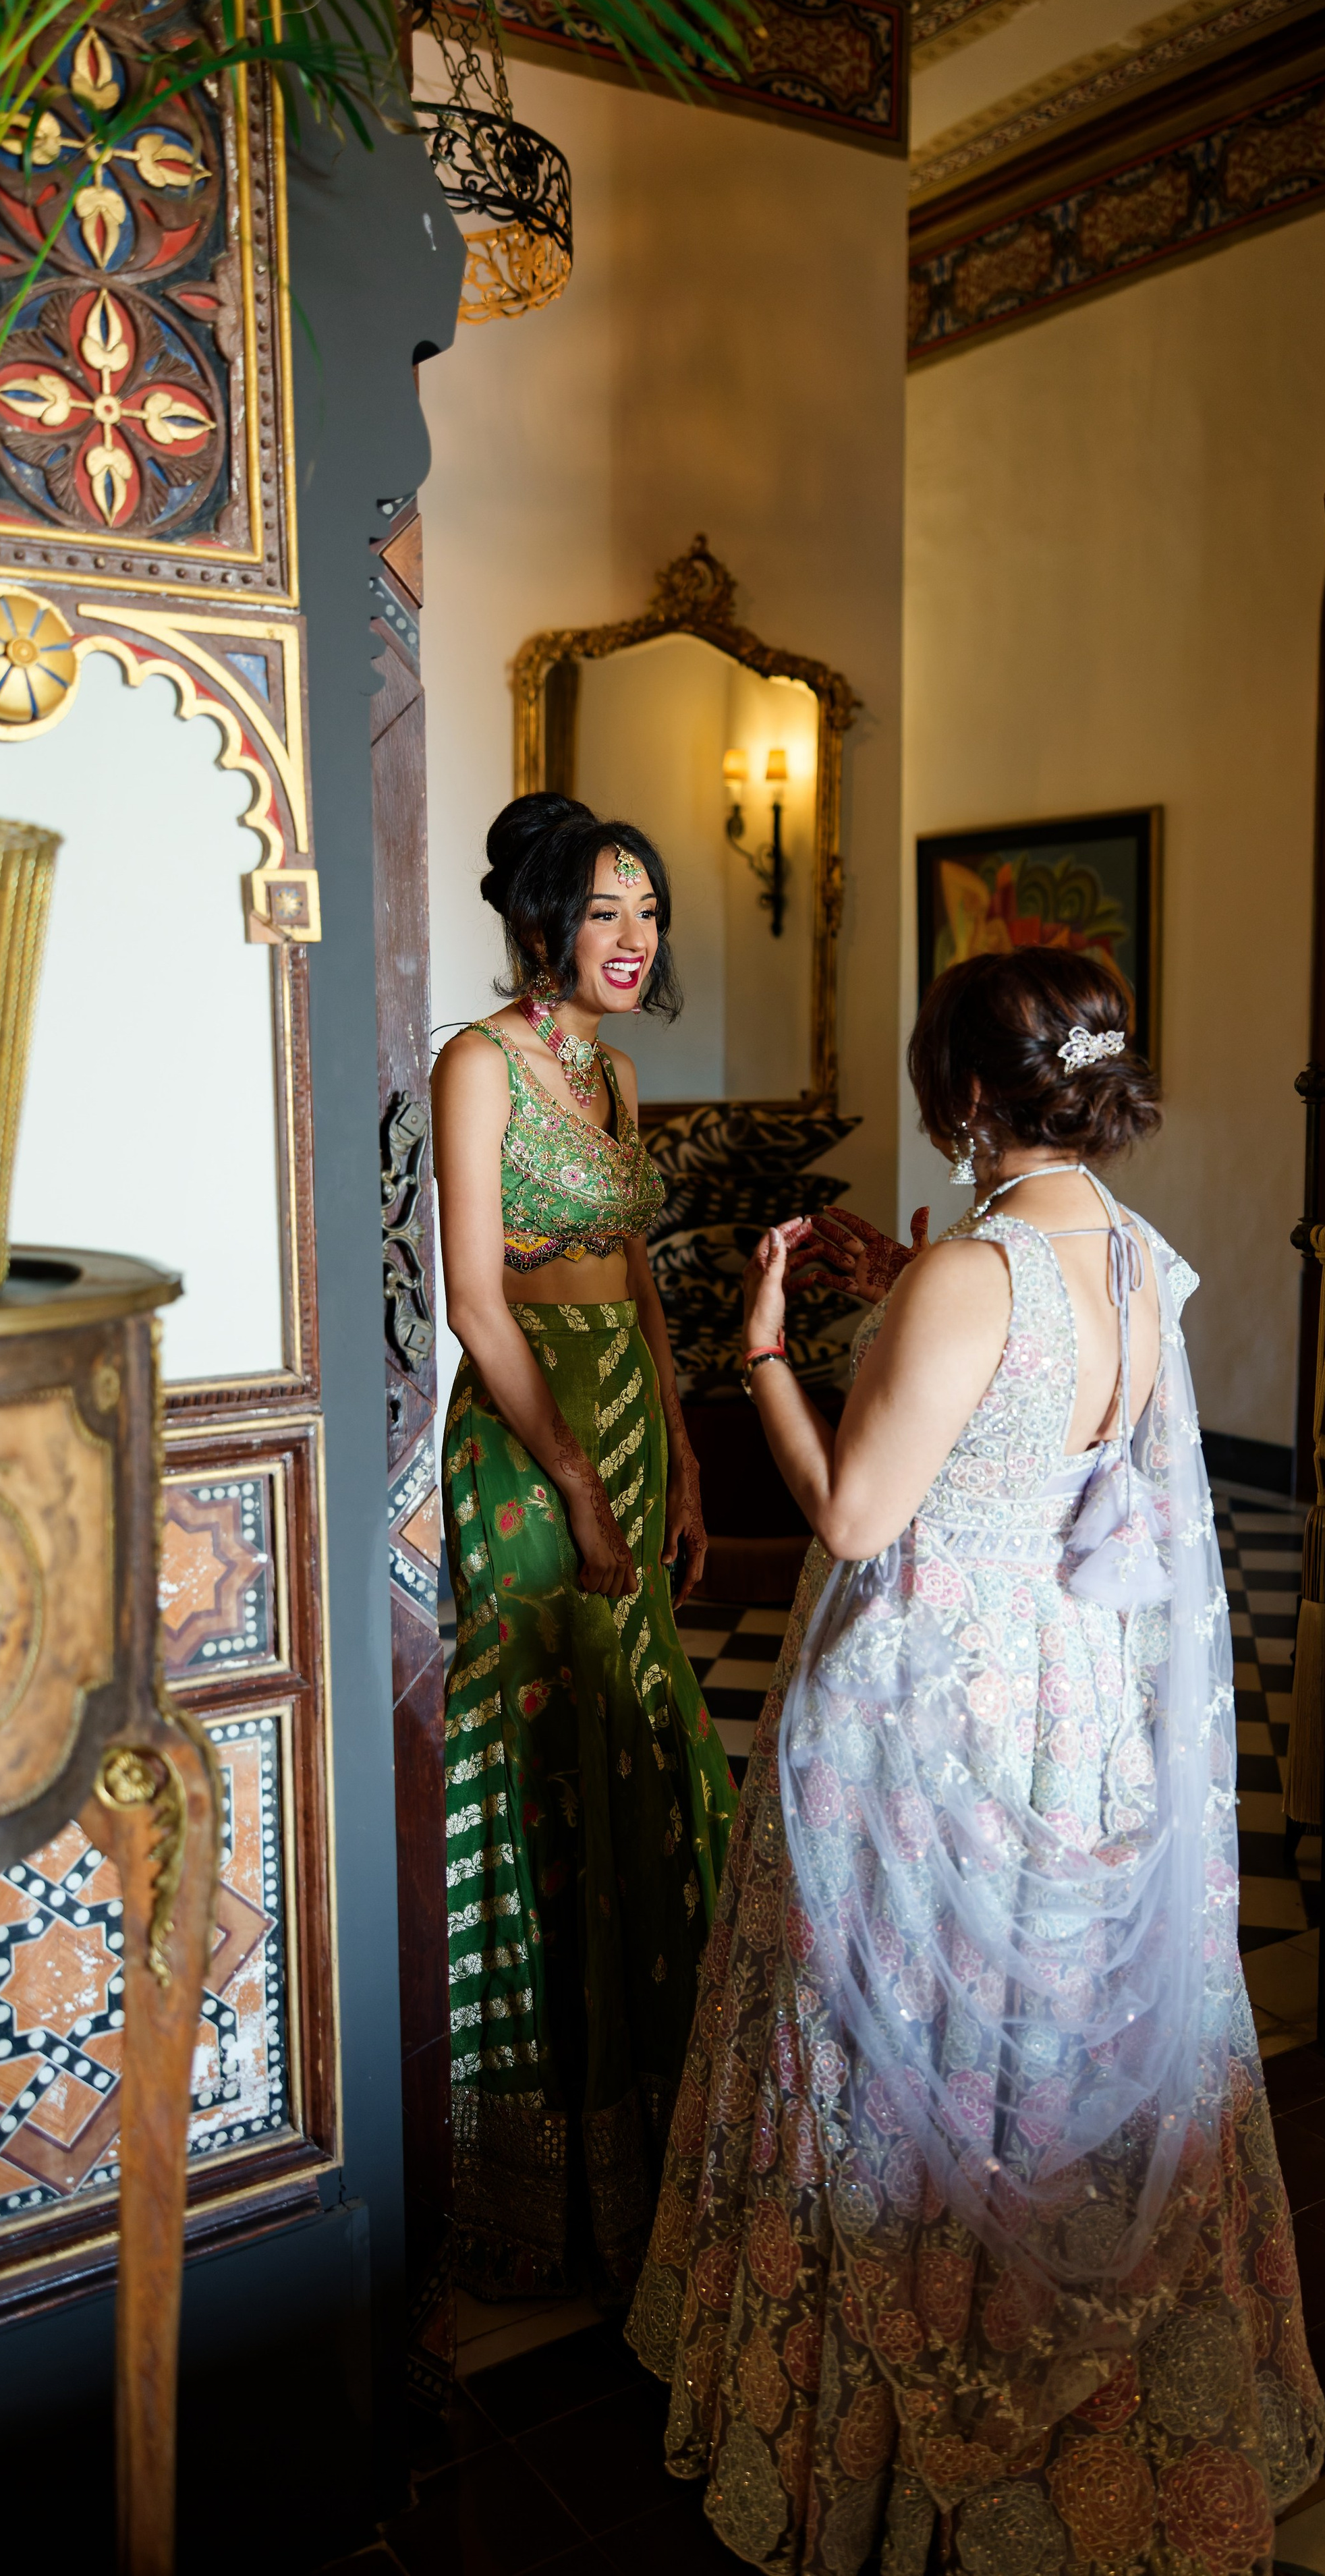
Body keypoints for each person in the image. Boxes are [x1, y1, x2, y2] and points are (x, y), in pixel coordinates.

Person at [627, 947, 1325, 2573]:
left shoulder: (971, 1274)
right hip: (1071, 1696)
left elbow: (859, 1518)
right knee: (1029, 2045)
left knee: (877, 2035)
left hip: (925, 1702)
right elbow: (1092, 1479)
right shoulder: (1143, 1262)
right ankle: (1070, 2360)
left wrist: (759, 1345)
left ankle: (884, 2395)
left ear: (957, 1087)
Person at [431, 793, 738, 2302]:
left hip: (624, 1409)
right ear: (539, 924)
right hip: (521, 1436)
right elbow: (477, 1301)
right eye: (604, 913)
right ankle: (528, 2152)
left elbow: (635, 1272)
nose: (633, 940)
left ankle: (659, 2122)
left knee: (642, 1732)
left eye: (647, 912)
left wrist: (674, 1451)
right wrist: (576, 1479)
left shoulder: (612, 1075)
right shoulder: (474, 1065)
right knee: (544, 1743)